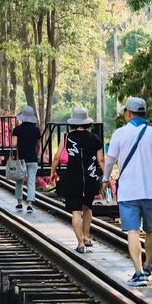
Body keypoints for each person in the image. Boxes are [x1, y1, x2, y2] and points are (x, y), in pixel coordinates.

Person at [103, 97, 152, 286]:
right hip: (151, 191)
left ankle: (138, 272)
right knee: (151, 229)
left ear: (128, 113)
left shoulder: (120, 134)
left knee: (132, 231)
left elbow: (110, 160)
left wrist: (105, 179)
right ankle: (148, 265)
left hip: (129, 192)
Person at [49, 107, 105, 253]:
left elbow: (56, 157)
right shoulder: (95, 138)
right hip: (90, 178)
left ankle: (80, 243)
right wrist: (105, 177)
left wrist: (52, 172)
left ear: (73, 122)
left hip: (72, 178)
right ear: (87, 123)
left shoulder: (67, 137)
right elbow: (101, 160)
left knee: (76, 211)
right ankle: (86, 236)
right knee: (87, 207)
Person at [11, 105, 42, 213]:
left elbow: (13, 144)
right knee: (31, 181)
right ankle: (29, 204)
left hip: (21, 159)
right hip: (33, 158)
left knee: (19, 181)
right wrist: (37, 155)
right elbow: (38, 145)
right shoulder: (36, 130)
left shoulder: (17, 129)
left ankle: (19, 203)